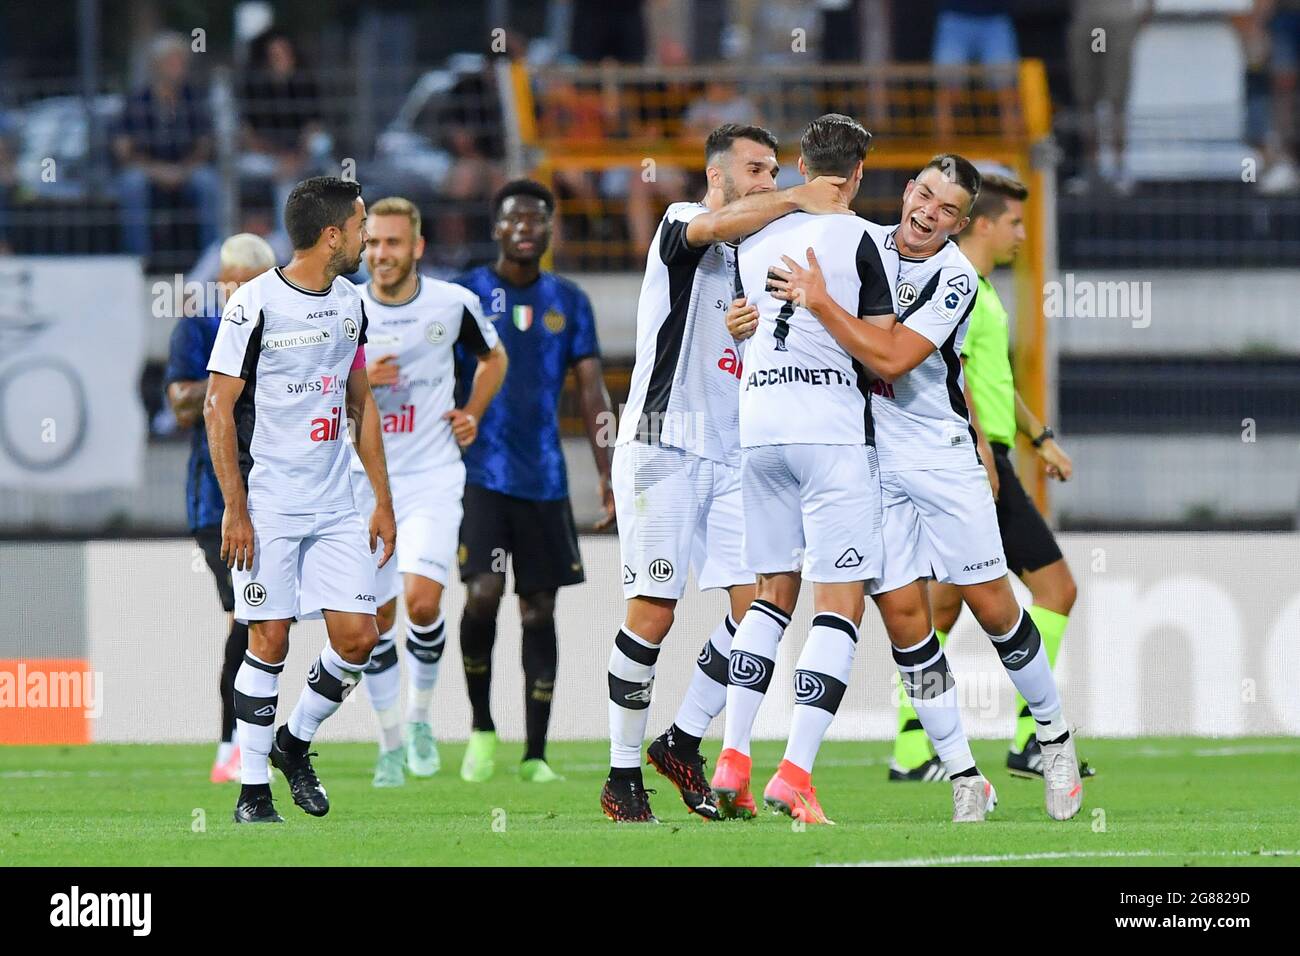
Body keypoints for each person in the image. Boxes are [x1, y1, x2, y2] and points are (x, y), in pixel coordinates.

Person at [761, 154, 1085, 822]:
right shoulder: (863, 245)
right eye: (925, 196)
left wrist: (818, 301)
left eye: (947, 210)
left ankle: (1054, 738)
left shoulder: (956, 277)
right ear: (907, 192)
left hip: (938, 457)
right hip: (870, 462)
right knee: (906, 620)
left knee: (994, 607)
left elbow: (892, 356)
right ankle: (964, 773)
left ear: (960, 224)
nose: (928, 214)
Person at [600, 123, 856, 823]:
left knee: (759, 606)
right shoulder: (686, 222)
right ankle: (622, 777)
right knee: (653, 613)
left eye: (776, 170)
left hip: (733, 452)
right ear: (718, 174)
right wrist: (805, 195)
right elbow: (716, 225)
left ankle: (682, 739)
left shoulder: (761, 255)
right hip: (665, 443)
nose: (770, 181)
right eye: (757, 169)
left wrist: (750, 337)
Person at [708, 114, 897, 825]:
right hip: (829, 432)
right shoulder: (863, 238)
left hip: (758, 427)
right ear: (856, 175)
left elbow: (741, 318)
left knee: (768, 595)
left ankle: (732, 760)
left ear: (798, 166)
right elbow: (881, 350)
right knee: (838, 602)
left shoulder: (756, 233)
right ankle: (795, 774)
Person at [204, 176, 396, 824]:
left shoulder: (351, 304)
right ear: (333, 233)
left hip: (337, 497)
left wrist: (382, 500)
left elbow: (361, 402)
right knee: (270, 639)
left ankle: (294, 742)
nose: (369, 239)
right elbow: (217, 407)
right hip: (270, 501)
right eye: (363, 226)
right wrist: (235, 506)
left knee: (359, 638)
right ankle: (252, 792)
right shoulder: (252, 305)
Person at [887, 173, 1090, 783]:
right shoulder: (957, 286)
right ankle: (1034, 737)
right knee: (1054, 590)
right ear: (983, 224)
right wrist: (982, 449)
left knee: (942, 609)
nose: (1023, 235)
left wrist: (1039, 436)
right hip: (974, 459)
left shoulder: (983, 293)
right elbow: (958, 379)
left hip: (989, 453)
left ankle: (910, 748)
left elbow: (992, 378)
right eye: (1015, 224)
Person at [453, 180, 614, 783]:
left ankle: (536, 753)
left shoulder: (568, 301)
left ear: (550, 231)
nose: (525, 228)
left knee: (539, 609)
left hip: (545, 482)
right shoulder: (466, 293)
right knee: (482, 593)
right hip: (481, 476)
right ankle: (480, 728)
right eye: (514, 218)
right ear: (496, 228)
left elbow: (592, 390)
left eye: (537, 220)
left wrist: (608, 471)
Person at [352, 197, 507, 788]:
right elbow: (310, 389)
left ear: (416, 247)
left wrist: (471, 411)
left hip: (432, 477)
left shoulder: (453, 303)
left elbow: (494, 359)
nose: (381, 254)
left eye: (392, 243)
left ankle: (419, 721)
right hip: (361, 484)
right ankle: (389, 741)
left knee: (421, 602)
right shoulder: (344, 310)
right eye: (371, 244)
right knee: (374, 619)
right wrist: (357, 380)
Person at [164, 232, 276, 784]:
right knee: (248, 616)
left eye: (247, 281)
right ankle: (233, 744)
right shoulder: (200, 326)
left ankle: (246, 744)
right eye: (229, 280)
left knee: (261, 620)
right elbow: (182, 403)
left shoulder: (281, 323)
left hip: (279, 497)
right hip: (217, 501)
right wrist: (226, 381)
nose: (236, 290)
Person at [113, 33, 220, 262]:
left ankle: (211, 260)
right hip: (147, 171)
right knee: (132, 184)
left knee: (208, 182)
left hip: (188, 170)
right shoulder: (136, 101)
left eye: (181, 61)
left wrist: (183, 170)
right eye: (172, 61)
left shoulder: (194, 99)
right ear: (156, 65)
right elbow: (123, 150)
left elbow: (205, 145)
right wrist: (157, 171)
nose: (178, 67)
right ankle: (138, 260)